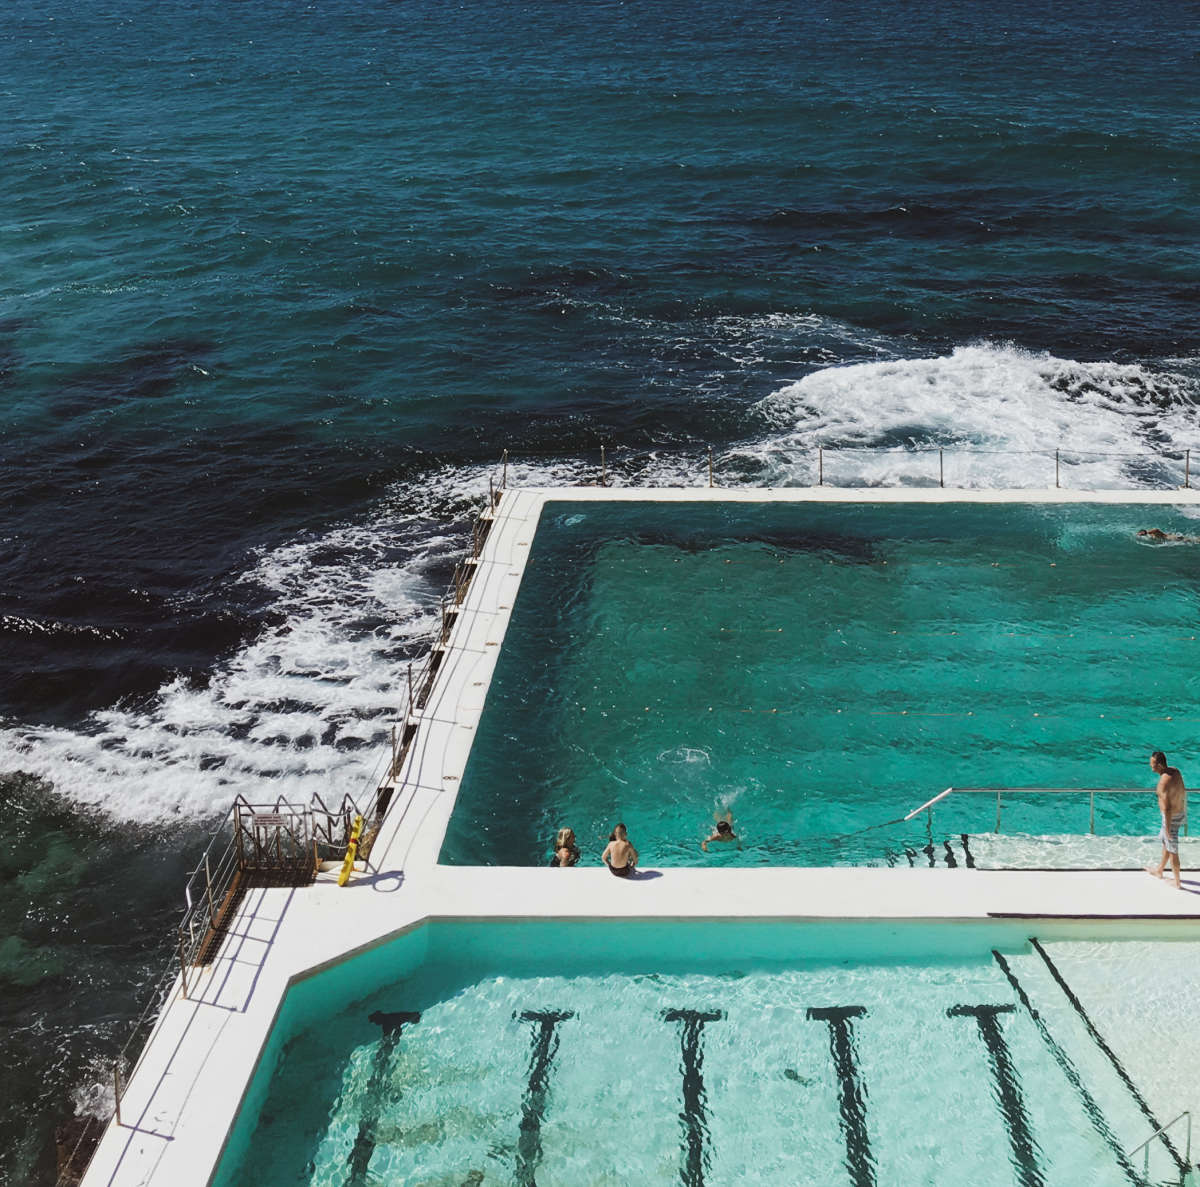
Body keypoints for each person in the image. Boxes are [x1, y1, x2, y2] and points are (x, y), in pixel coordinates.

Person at [1146, 750, 1187, 889]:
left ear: (1159, 764)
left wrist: (1168, 828)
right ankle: (1160, 870)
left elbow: (1167, 808)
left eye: (1152, 764)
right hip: (1180, 812)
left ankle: (1177, 883)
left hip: (1171, 817)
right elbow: (1182, 790)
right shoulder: (1175, 771)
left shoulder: (1163, 783)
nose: (1151, 767)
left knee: (1173, 849)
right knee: (1166, 843)